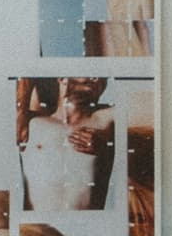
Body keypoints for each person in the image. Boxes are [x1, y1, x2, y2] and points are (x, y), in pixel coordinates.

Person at [16, 77, 116, 212]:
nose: (94, 80)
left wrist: (108, 144)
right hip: (40, 222)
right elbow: (25, 72)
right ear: (61, 79)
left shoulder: (106, 120)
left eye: (100, 79)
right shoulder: (31, 123)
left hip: (88, 225)